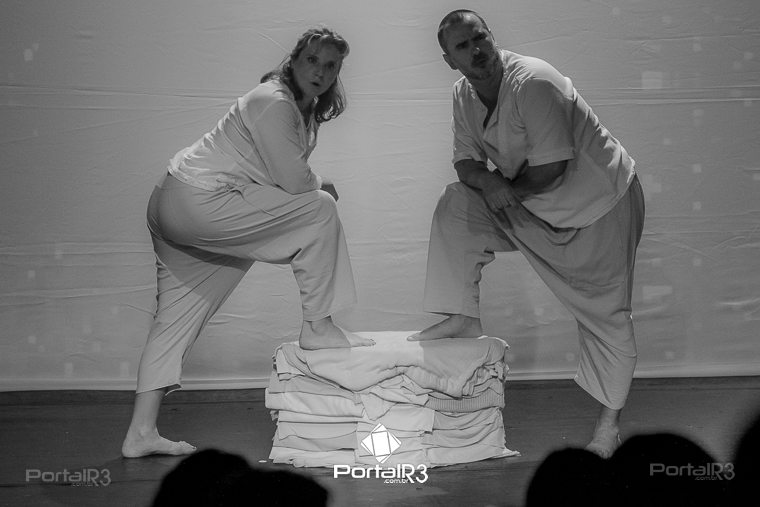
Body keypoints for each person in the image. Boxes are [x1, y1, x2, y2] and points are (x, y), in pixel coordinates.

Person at [122, 26, 373, 459]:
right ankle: (318, 327)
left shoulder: (299, 109)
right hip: (199, 200)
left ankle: (140, 433)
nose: (321, 71)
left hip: (177, 202)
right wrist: (323, 182)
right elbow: (294, 182)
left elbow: (278, 178)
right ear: (294, 59)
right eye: (313, 60)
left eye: (331, 66)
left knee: (173, 322)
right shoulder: (272, 100)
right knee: (319, 208)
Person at [409, 10, 645, 458]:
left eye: (480, 37)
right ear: (449, 60)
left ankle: (608, 428)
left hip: (601, 206)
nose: (476, 50)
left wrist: (502, 191)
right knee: (457, 203)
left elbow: (552, 167)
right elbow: (465, 162)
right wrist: (489, 183)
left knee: (608, 316)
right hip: (533, 203)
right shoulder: (463, 94)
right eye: (463, 46)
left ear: (491, 36)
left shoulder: (534, 81)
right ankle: (462, 315)